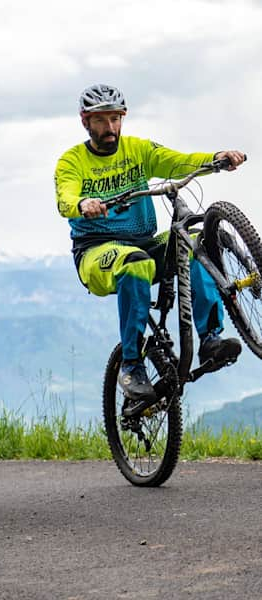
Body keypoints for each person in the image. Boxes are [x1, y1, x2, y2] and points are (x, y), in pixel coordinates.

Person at [55, 83, 245, 415]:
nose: (111, 127)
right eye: (102, 120)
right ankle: (131, 365)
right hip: (96, 255)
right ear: (85, 121)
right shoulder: (72, 161)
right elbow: (65, 197)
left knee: (194, 244)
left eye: (116, 119)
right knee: (136, 263)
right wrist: (83, 203)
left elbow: (177, 162)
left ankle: (210, 339)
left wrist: (215, 158)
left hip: (143, 243)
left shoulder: (137, 150)